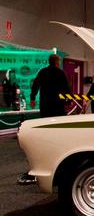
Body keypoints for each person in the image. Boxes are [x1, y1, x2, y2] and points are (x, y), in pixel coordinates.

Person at [18, 54, 69, 185]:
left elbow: (35, 85)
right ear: (57, 62)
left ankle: (45, 144)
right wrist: (68, 100)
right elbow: (66, 88)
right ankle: (59, 147)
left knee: (46, 125)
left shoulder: (43, 72)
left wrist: (33, 98)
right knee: (59, 127)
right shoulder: (60, 73)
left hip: (46, 104)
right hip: (57, 105)